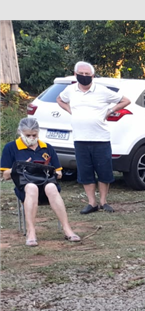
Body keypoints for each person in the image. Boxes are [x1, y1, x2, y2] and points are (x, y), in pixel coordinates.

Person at [56, 61, 130, 214]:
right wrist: (70, 110)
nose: (84, 77)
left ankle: (103, 202)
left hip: (100, 138)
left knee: (104, 171)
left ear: (93, 76)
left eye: (87, 75)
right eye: (81, 74)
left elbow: (125, 100)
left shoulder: (102, 91)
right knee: (85, 171)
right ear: (75, 75)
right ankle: (92, 203)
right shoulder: (70, 90)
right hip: (80, 138)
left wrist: (111, 111)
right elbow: (59, 99)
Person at [1, 118, 81, 246]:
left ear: (38, 133)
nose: (31, 138)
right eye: (28, 135)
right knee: (32, 187)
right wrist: (20, 167)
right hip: (25, 187)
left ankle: (67, 229)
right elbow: (5, 175)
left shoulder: (46, 147)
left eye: (34, 135)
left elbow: (59, 174)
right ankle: (31, 232)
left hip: (46, 183)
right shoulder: (11, 147)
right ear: (20, 132)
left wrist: (47, 169)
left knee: (51, 187)